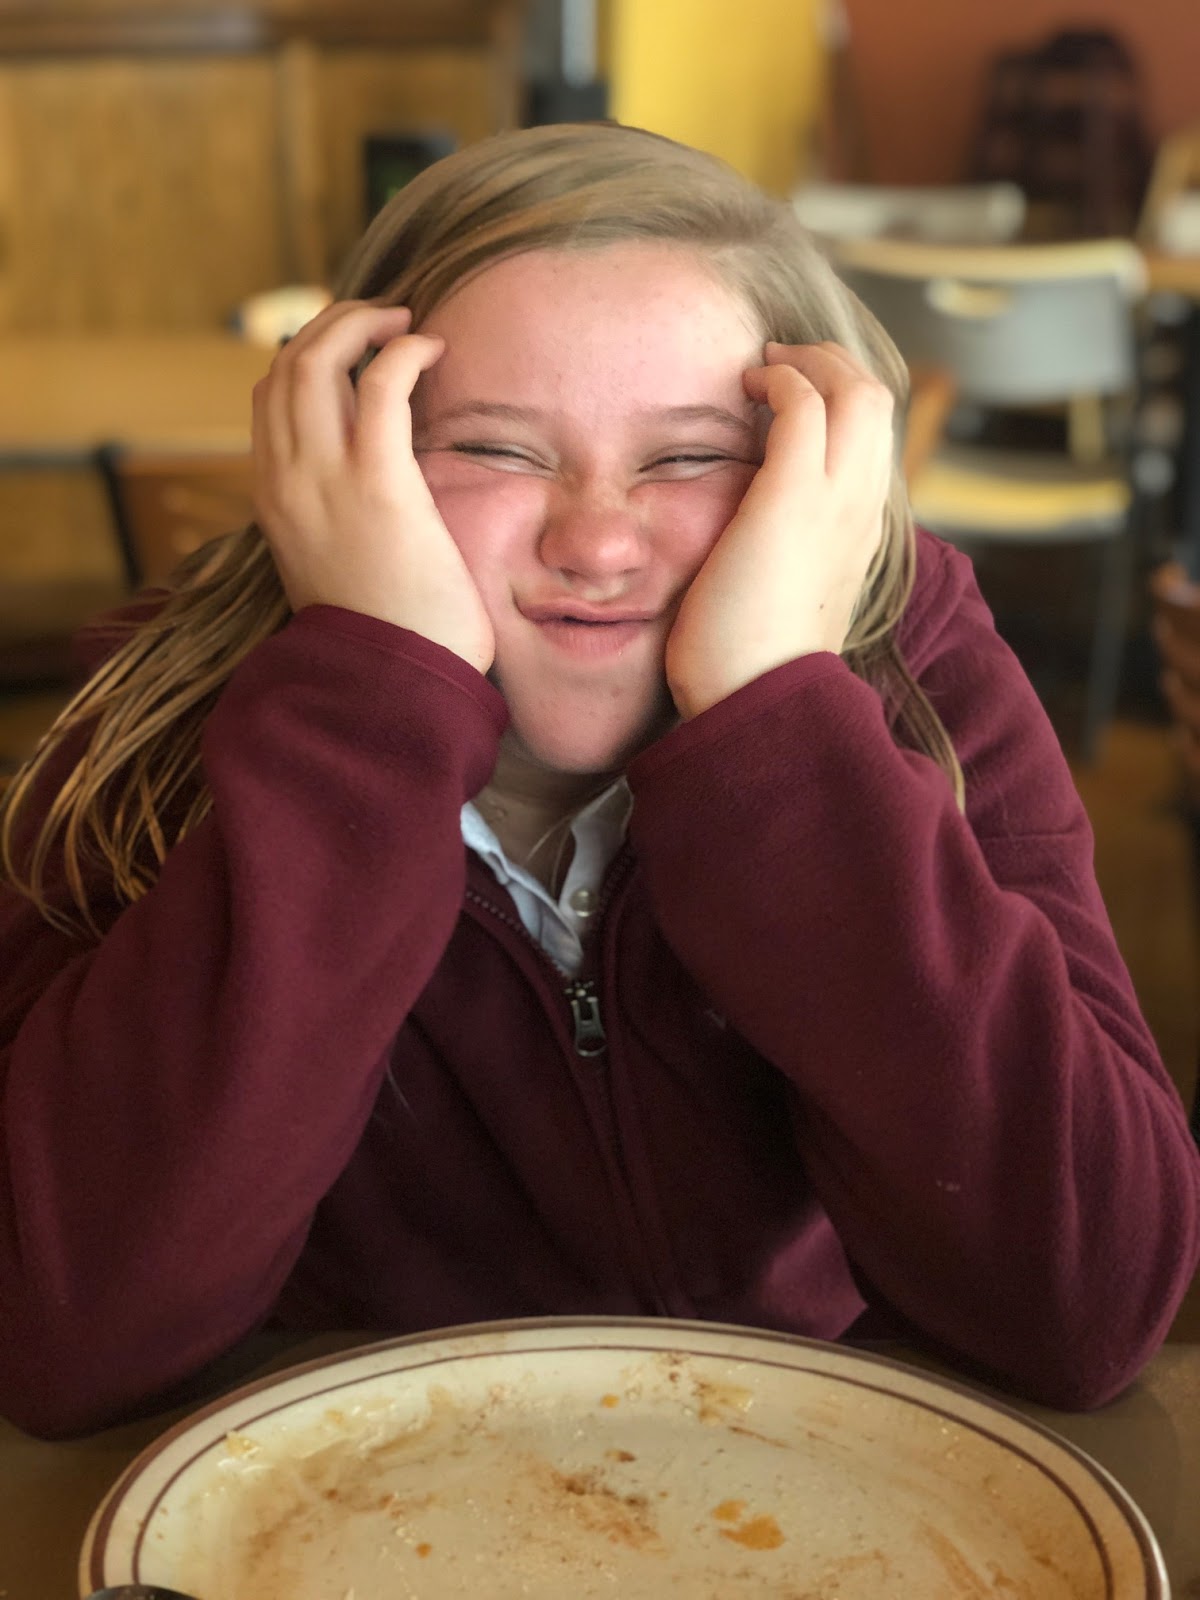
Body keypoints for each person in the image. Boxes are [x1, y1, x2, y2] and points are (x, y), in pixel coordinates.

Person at [1, 123, 1197, 1442]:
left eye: (688, 456)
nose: (598, 543)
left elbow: (1088, 1309)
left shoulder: (917, 667)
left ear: (818, 474)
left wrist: (775, 717)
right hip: (333, 1481)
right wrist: (370, 704)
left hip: (812, 1478)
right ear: (343, 451)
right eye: (497, 451)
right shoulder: (171, 695)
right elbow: (56, 1336)